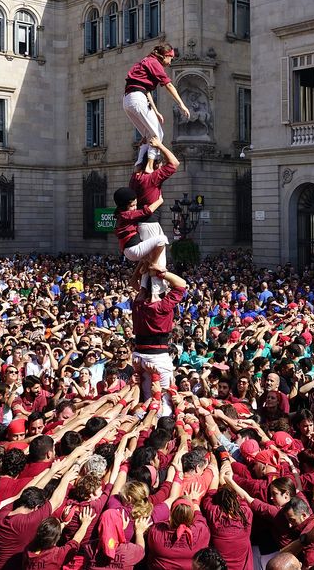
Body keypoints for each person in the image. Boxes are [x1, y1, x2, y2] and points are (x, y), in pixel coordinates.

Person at [122, 44, 190, 166]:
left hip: (128, 100)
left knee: (148, 135)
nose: (170, 63)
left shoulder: (145, 61)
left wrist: (156, 111)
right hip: (137, 99)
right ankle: (149, 166)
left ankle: (139, 165)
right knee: (158, 134)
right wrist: (181, 104)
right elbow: (168, 85)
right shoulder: (154, 63)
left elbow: (145, 90)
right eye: (171, 59)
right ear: (165, 56)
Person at [132, 269, 189, 415]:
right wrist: (160, 272)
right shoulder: (162, 306)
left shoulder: (138, 304)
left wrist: (142, 266)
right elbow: (182, 284)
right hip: (157, 359)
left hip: (139, 357)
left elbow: (133, 282)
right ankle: (162, 427)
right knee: (164, 400)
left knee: (146, 398)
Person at [130, 136, 180, 296]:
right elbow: (174, 163)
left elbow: (139, 165)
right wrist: (159, 145)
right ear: (156, 165)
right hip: (149, 224)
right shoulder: (151, 178)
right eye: (160, 164)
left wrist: (143, 149)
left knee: (149, 258)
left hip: (143, 224)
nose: (162, 167)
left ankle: (143, 287)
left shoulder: (135, 178)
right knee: (158, 262)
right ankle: (155, 296)